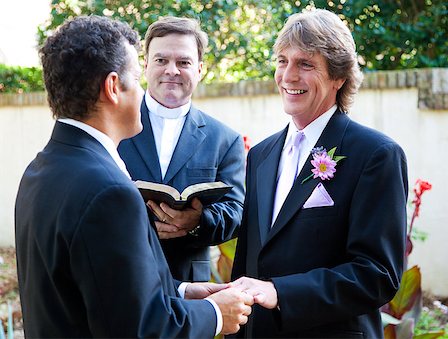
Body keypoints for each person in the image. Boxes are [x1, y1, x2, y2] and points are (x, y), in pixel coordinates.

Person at [14, 15, 253, 338]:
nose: (143, 90)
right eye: (138, 77)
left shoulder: (40, 170)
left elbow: (98, 290)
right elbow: (143, 328)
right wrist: (216, 313)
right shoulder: (109, 192)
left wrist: (180, 292)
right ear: (113, 87)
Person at [230, 8, 408, 338]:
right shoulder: (260, 155)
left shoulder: (375, 155)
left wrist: (281, 293)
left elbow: (377, 274)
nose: (288, 75)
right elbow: (249, 262)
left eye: (305, 64)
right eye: (282, 60)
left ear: (339, 77)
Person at [118, 16, 245, 282]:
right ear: (145, 65)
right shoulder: (114, 126)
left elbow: (237, 210)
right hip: (121, 274)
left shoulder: (225, 139)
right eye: (161, 60)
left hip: (189, 280)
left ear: (199, 69)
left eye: (183, 62)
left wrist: (198, 221)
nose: (171, 70)